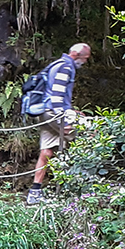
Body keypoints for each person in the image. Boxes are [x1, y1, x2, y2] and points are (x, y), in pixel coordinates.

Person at [28, 43, 90, 205]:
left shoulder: (56, 64)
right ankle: (87, 188)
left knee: (47, 152)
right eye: (85, 58)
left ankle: (35, 192)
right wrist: (65, 121)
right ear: (76, 55)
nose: (85, 62)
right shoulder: (66, 68)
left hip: (44, 112)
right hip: (54, 113)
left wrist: (73, 112)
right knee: (90, 135)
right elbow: (56, 97)